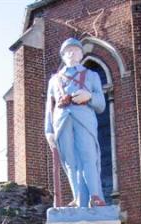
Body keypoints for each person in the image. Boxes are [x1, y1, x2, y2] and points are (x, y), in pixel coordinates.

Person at [45, 38, 106, 208]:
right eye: (68, 51)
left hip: (84, 119)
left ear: (81, 54)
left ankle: (95, 196)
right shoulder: (54, 80)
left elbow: (101, 104)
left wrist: (90, 97)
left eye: (76, 50)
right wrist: (48, 130)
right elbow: (49, 107)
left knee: (88, 157)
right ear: (63, 56)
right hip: (61, 121)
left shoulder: (92, 76)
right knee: (69, 161)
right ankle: (78, 198)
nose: (72, 53)